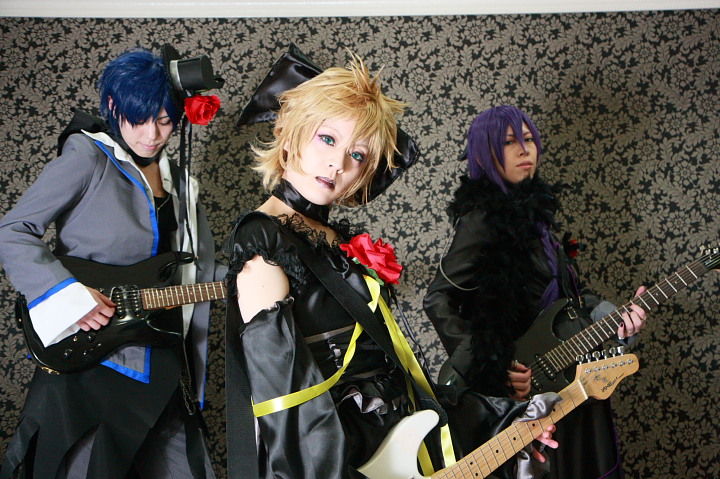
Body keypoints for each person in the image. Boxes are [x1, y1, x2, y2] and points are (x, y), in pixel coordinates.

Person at [225, 52, 558, 479]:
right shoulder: (263, 239)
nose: (339, 164)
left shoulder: (332, 238)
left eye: (358, 154)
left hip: (394, 440)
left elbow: (399, 375)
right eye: (327, 139)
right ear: (288, 133)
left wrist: (505, 423)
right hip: (336, 460)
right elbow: (284, 404)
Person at [0, 46, 224, 479]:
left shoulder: (182, 183)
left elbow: (199, 271)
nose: (152, 134)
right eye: (138, 119)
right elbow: (13, 230)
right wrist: (68, 295)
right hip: (93, 358)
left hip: (161, 357)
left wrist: (258, 275)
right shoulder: (88, 156)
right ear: (113, 108)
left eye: (164, 121)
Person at [423, 105, 648, 478]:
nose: (524, 149)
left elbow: (569, 299)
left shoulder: (537, 218)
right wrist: (493, 366)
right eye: (510, 142)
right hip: (530, 391)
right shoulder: (482, 219)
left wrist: (617, 320)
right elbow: (438, 298)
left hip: (570, 377)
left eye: (528, 139)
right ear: (485, 152)